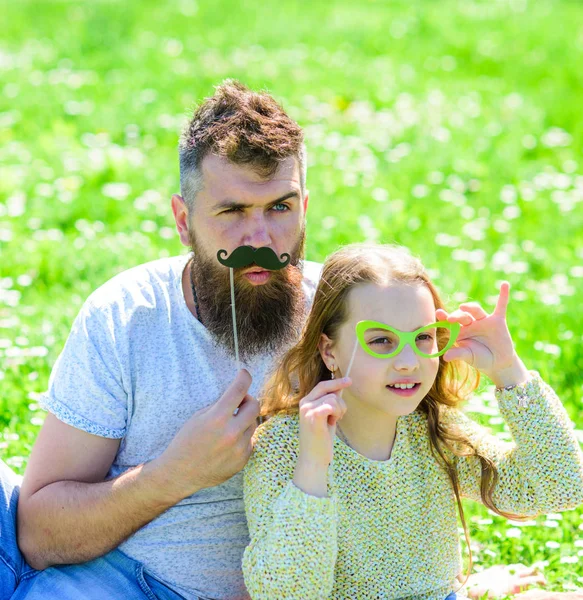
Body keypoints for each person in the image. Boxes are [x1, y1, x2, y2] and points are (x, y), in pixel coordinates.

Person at [0, 80, 320, 600]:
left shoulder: (347, 318)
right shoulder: (126, 316)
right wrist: (174, 473)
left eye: (280, 208)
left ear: (304, 206)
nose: (259, 240)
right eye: (232, 212)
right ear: (182, 220)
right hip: (117, 576)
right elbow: (37, 533)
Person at [242, 243, 583, 600]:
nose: (408, 361)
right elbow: (286, 594)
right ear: (329, 350)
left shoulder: (432, 429)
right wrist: (312, 467)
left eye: (422, 337)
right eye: (381, 341)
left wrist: (507, 369)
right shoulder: (282, 446)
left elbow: (558, 486)